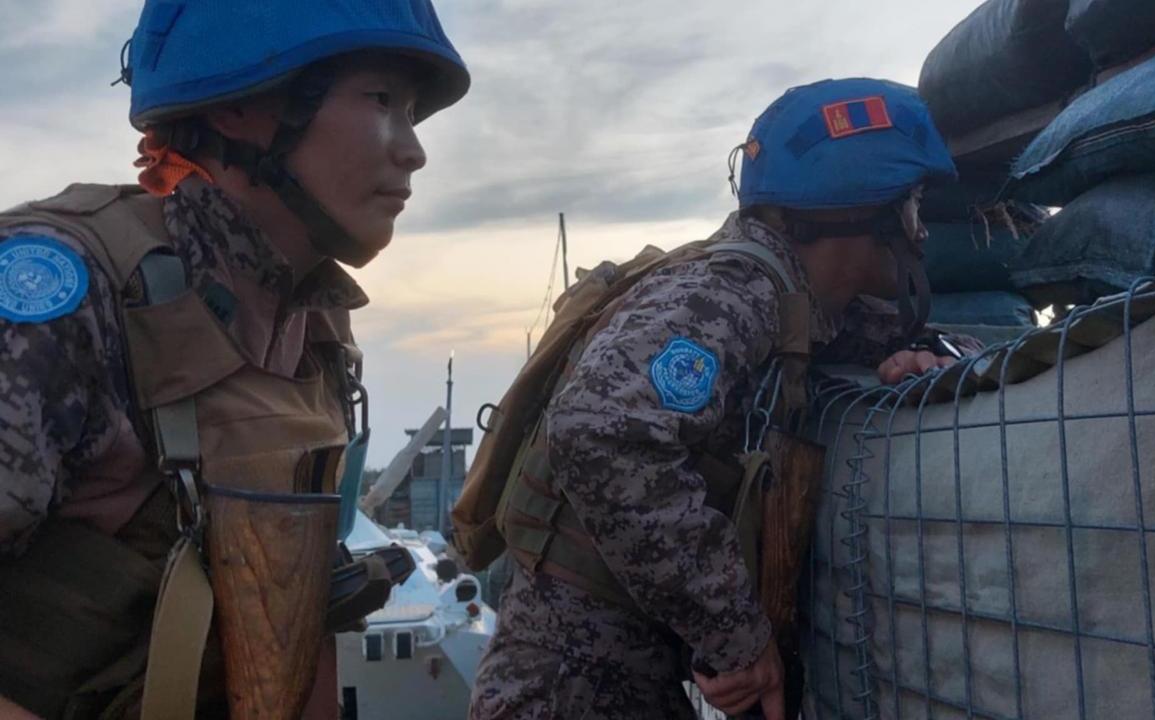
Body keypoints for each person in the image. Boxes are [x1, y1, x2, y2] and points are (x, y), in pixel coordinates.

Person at [0, 1, 468, 718]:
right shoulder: (62, 293)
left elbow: (299, 615)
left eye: (411, 112)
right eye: (380, 100)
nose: (413, 150)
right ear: (238, 112)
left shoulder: (313, 320)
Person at [468, 77, 958, 719]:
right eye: (913, 205)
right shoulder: (733, 292)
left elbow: (908, 339)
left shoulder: (797, 302)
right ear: (866, 209)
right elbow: (601, 431)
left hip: (615, 667)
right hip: (571, 681)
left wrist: (936, 361)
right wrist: (735, 633)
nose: (922, 233)